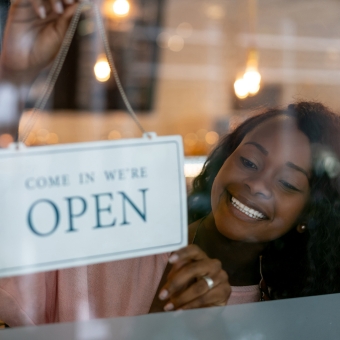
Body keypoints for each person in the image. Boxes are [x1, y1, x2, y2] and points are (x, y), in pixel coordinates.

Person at [1, 0, 340, 329]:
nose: (257, 184)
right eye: (250, 161)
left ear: (310, 214)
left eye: (288, 184)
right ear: (223, 162)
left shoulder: (289, 314)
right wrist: (14, 76)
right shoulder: (111, 240)